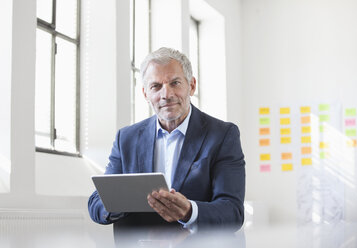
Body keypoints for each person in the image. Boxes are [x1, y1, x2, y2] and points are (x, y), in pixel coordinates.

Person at [88, 47, 246, 235]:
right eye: (156, 86)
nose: (166, 95)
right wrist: (120, 202)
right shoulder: (126, 138)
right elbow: (96, 203)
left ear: (192, 86)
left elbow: (232, 211)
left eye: (175, 83)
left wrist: (189, 211)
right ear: (146, 94)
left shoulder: (222, 135)